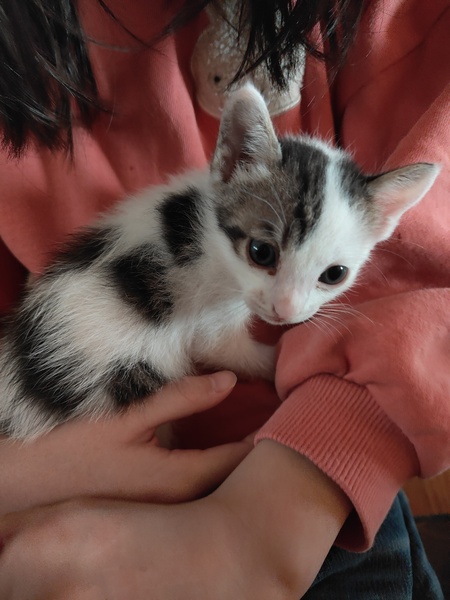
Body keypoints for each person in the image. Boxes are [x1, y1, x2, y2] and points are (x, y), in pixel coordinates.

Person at [0, 0, 448, 598]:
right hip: (71, 451)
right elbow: (217, 340)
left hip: (313, 490)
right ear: (232, 163)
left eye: (332, 275)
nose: (287, 307)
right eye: (263, 254)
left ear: (384, 221)